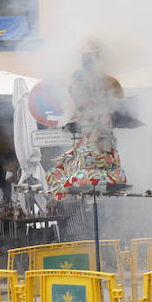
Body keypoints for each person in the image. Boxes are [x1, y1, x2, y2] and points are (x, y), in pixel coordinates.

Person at [46, 43, 129, 199]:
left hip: (101, 121)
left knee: (103, 147)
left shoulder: (109, 81)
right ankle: (88, 170)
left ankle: (102, 171)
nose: (87, 61)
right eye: (85, 57)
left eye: (91, 57)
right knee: (87, 149)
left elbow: (117, 100)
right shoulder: (78, 77)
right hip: (87, 121)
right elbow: (74, 98)